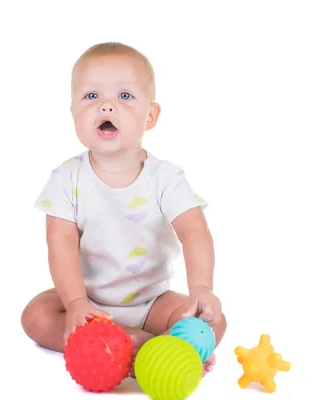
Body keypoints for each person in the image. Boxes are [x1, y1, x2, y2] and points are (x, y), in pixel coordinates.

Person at [21, 42, 226, 375]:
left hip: (152, 303)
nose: (106, 106)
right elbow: (59, 243)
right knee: (35, 316)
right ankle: (137, 346)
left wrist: (201, 289)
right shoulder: (65, 179)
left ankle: (158, 348)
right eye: (91, 97)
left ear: (151, 116)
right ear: (73, 112)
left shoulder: (166, 178)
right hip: (88, 302)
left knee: (213, 321)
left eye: (125, 96)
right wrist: (75, 304)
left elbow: (195, 232)